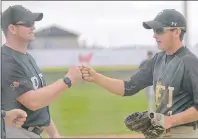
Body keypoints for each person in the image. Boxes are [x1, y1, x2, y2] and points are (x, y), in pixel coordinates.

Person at [80, 9, 198, 138]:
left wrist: (169, 121)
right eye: (153, 31)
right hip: (161, 133)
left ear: (176, 32)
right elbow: (128, 87)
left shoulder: (189, 63)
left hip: (183, 133)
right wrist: (96, 77)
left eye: (159, 30)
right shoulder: (157, 60)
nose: (154, 35)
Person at [1, 5, 82, 138]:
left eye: (33, 23)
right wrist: (68, 80)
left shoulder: (27, 57)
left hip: (30, 133)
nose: (33, 27)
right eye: (27, 23)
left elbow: (41, 102)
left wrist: (54, 133)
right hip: (16, 132)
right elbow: (32, 102)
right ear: (12, 28)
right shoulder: (6, 61)